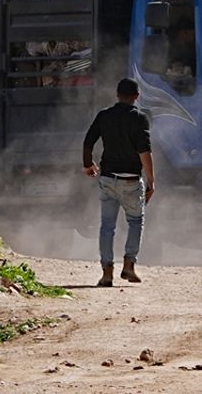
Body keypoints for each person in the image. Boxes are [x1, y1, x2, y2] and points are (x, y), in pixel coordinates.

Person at [82, 78, 155, 287]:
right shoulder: (140, 119)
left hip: (107, 179)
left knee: (107, 227)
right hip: (131, 180)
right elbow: (145, 152)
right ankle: (129, 265)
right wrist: (151, 180)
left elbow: (88, 141)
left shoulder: (104, 116)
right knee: (135, 221)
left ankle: (107, 273)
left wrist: (88, 164)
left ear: (117, 94)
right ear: (137, 97)